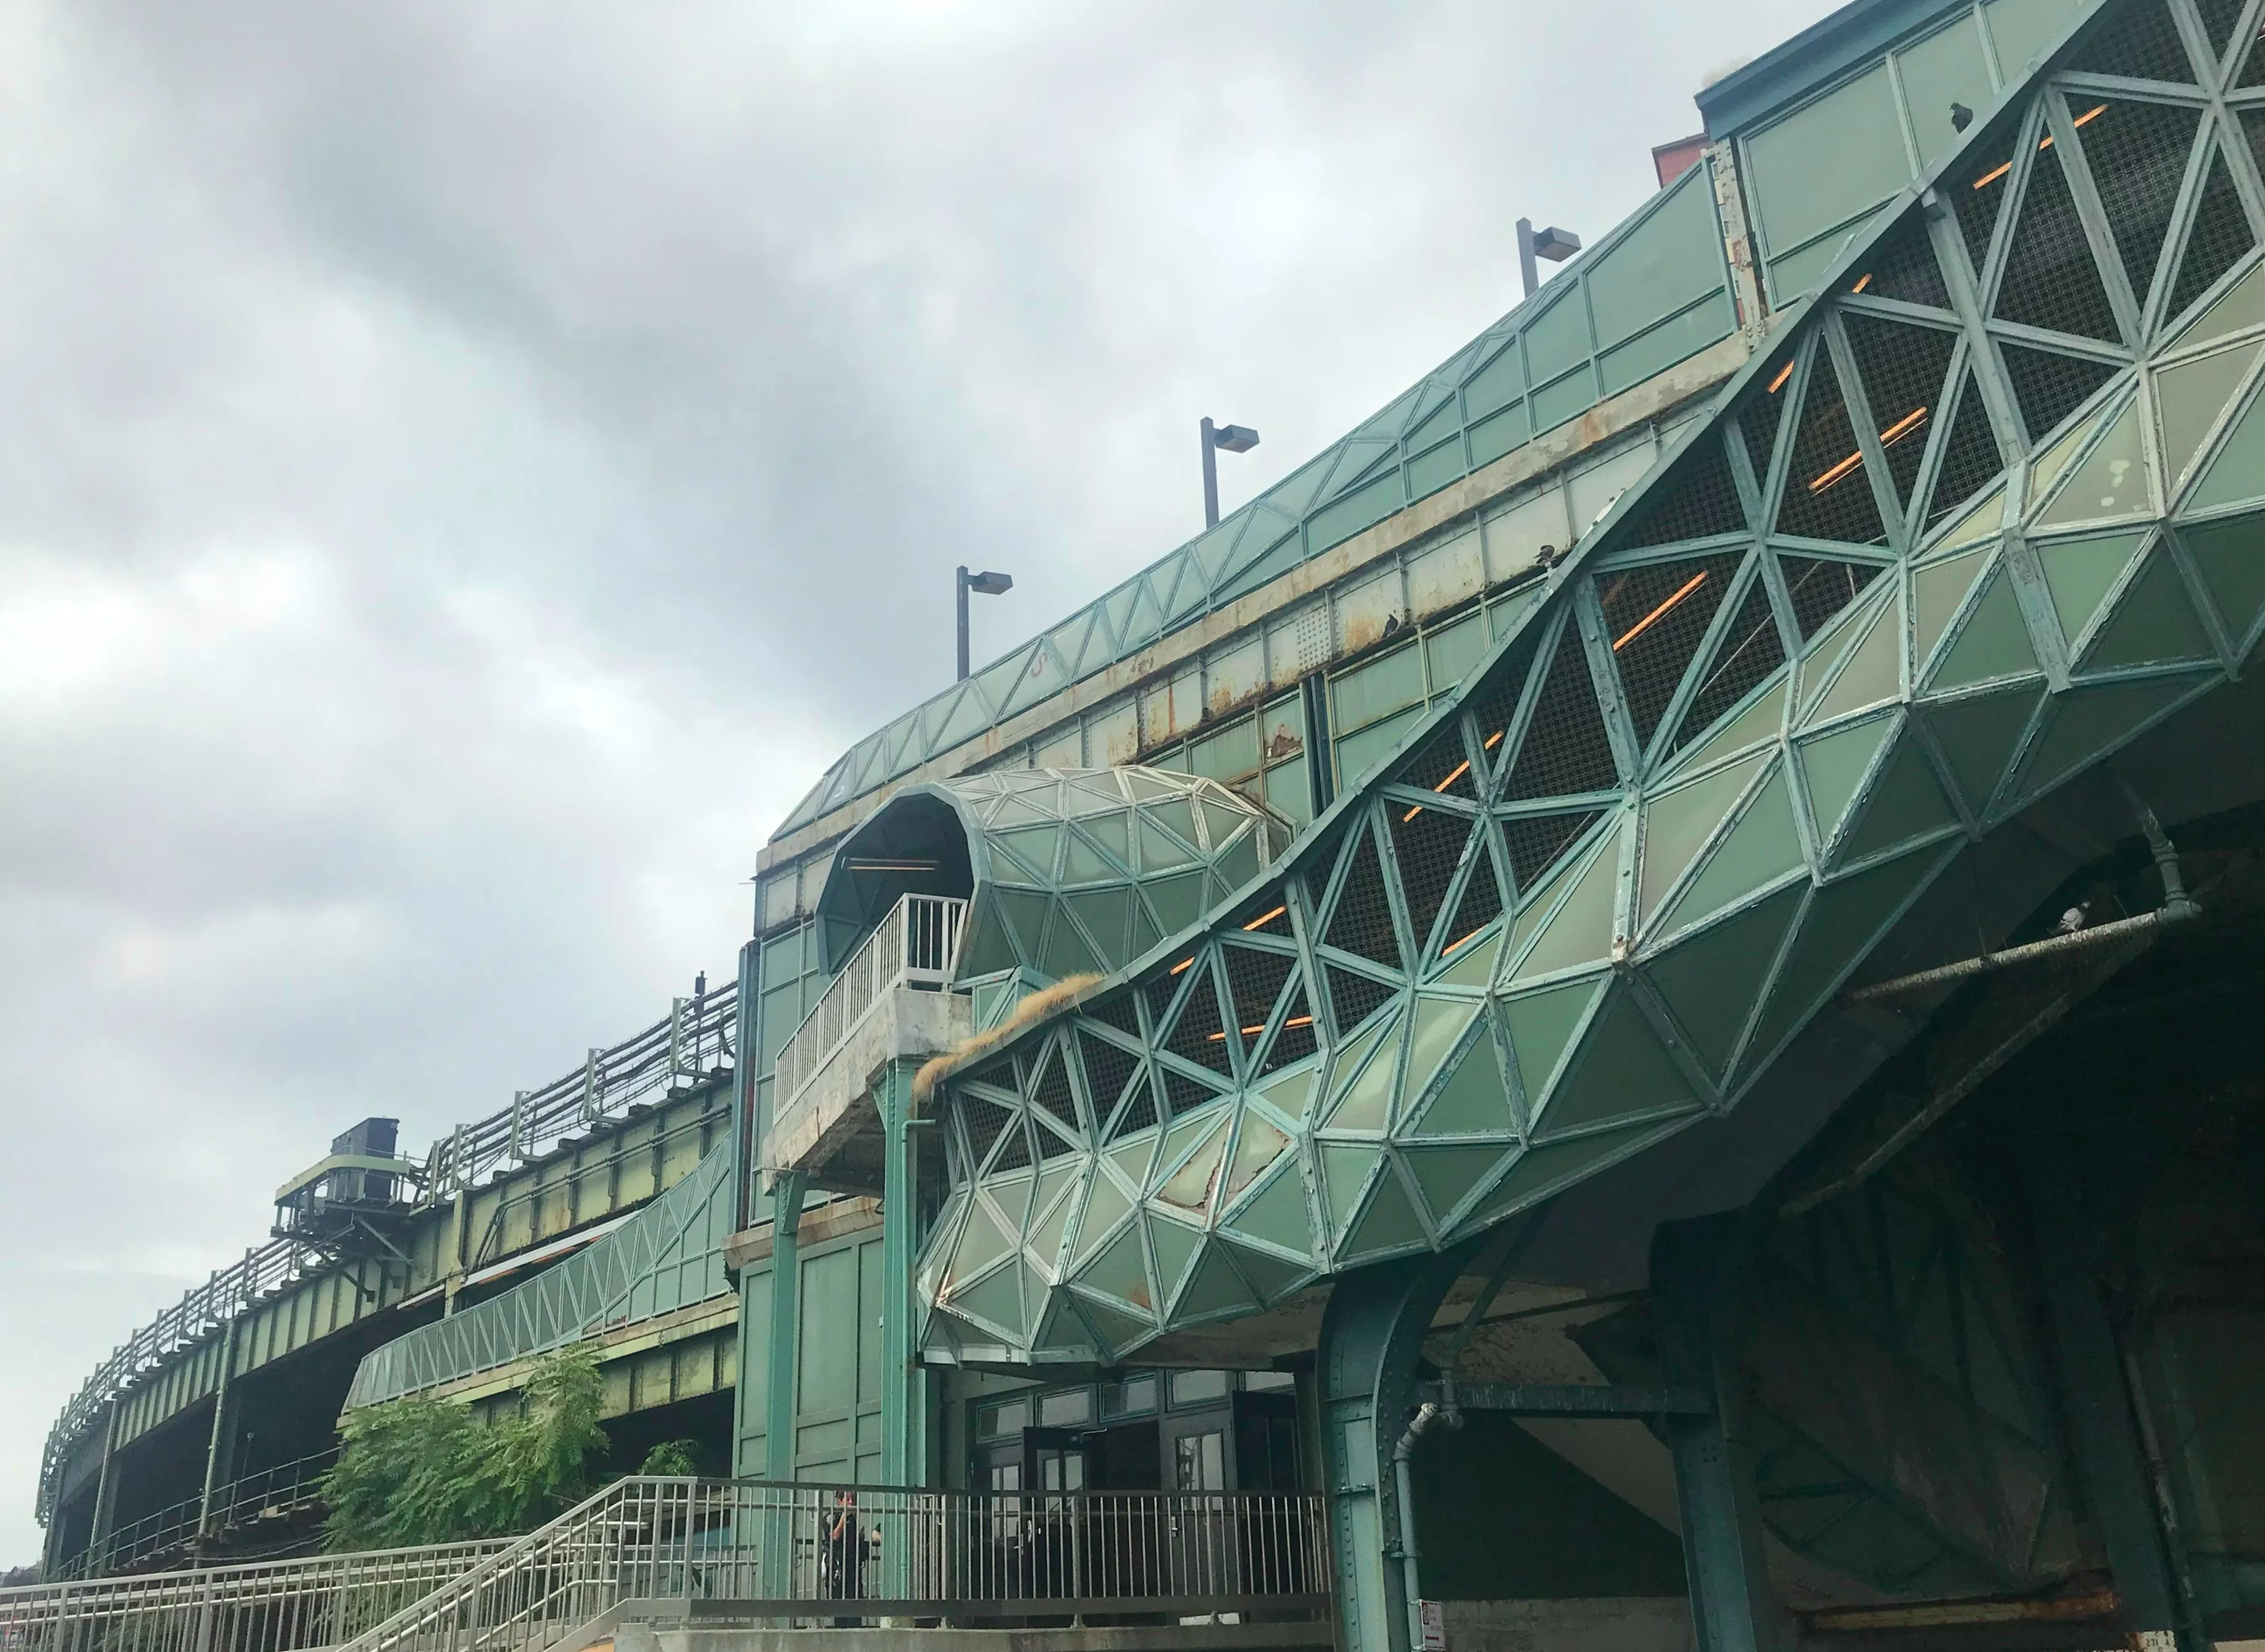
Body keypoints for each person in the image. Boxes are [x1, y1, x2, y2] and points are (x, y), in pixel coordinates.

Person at [824, 1490, 863, 1625]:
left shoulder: (853, 1519)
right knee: (839, 1603)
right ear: (840, 1501)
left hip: (852, 1566)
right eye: (848, 1499)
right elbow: (834, 1536)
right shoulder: (831, 1517)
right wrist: (843, 1518)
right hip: (838, 1567)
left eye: (853, 1499)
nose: (851, 1503)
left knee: (856, 1602)